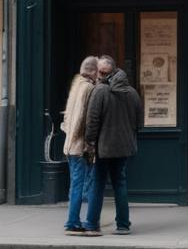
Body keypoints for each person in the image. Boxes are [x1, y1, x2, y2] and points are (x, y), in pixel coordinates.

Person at [81, 56, 142, 236]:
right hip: (124, 146)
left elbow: (92, 121)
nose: (98, 75)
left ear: (105, 73)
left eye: (101, 72)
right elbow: (139, 124)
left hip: (103, 147)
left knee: (98, 184)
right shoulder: (132, 92)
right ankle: (123, 224)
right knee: (120, 183)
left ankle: (92, 223)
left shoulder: (99, 91)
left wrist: (89, 143)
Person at [60, 56, 99, 235]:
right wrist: (88, 144)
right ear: (93, 71)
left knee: (75, 184)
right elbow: (87, 120)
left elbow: (67, 117)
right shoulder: (89, 88)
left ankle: (73, 219)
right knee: (82, 184)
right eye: (98, 71)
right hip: (79, 146)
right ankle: (72, 222)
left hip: (69, 144)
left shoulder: (76, 87)